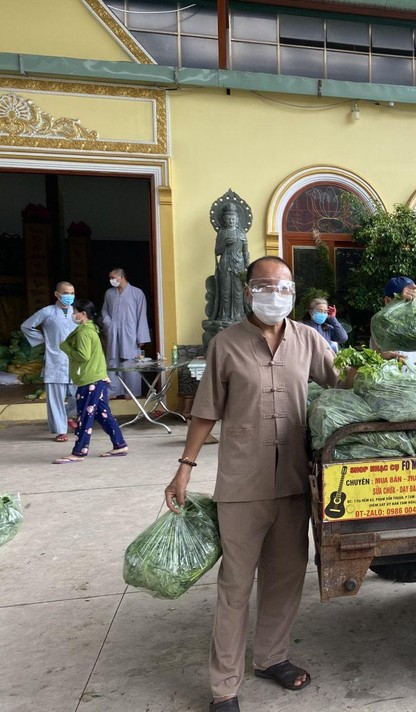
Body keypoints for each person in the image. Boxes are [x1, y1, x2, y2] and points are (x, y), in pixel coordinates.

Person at [163, 256, 341, 712]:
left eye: (284, 288)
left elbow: (343, 379)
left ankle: (272, 658)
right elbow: (206, 411)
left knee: (284, 578)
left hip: (294, 482)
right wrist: (186, 465)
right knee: (235, 585)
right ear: (247, 291)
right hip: (242, 482)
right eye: (265, 285)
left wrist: (390, 366)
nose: (275, 294)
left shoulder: (308, 339)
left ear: (294, 294)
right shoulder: (226, 344)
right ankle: (224, 686)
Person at [54, 299, 128, 464]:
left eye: (75, 312)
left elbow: (83, 356)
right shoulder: (90, 329)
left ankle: (79, 452)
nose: (73, 315)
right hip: (96, 378)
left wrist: (65, 347)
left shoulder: (84, 332)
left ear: (83, 314)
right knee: (103, 415)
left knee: (84, 418)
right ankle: (120, 445)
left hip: (90, 380)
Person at [21, 281, 78, 441]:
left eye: (72, 293)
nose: (70, 296)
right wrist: (43, 340)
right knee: (56, 397)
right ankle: (61, 430)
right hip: (55, 358)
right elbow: (27, 326)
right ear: (57, 294)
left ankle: (68, 416)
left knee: (78, 394)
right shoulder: (47, 312)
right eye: (66, 293)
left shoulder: (77, 312)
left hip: (75, 359)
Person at [102, 268, 150, 398]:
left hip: (130, 332)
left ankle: (131, 392)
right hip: (113, 332)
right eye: (110, 278)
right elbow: (104, 311)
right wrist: (108, 323)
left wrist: (142, 336)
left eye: (113, 277)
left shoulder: (137, 293)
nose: (111, 280)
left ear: (121, 277)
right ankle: (113, 391)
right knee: (113, 360)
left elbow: (142, 315)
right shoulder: (109, 293)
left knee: (130, 361)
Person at [212, 202, 250, 324]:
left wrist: (248, 265)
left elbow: (245, 252)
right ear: (224, 220)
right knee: (225, 290)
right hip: (225, 264)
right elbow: (217, 251)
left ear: (237, 219)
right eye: (228, 219)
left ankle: (238, 315)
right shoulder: (221, 233)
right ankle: (224, 315)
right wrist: (224, 244)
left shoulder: (241, 233)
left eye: (233, 219)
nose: (231, 221)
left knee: (238, 291)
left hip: (238, 264)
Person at [370, 276, 416, 364]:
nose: (410, 305)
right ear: (387, 301)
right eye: (405, 301)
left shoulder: (412, 326)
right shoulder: (380, 323)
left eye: (412, 299)